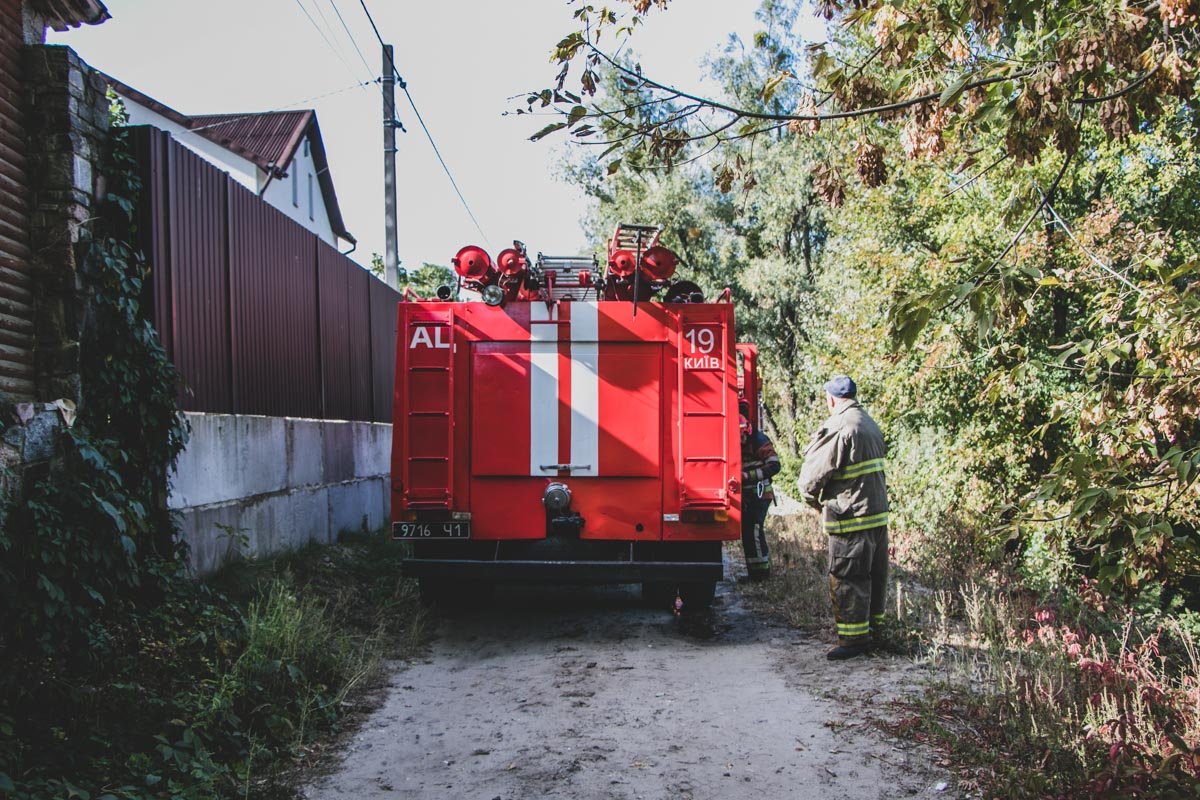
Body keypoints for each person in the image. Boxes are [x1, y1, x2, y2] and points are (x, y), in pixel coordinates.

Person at [797, 375, 889, 660]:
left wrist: (813, 502)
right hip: (876, 517)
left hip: (851, 518)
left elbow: (811, 478)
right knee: (875, 576)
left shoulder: (839, 426)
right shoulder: (868, 422)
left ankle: (853, 641)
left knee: (849, 578)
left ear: (831, 399)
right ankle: (875, 632)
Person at [739, 402, 780, 582]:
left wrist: (747, 476)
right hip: (749, 495)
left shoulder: (758, 440)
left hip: (760, 493)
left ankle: (761, 575)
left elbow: (774, 465)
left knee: (754, 530)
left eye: (742, 436)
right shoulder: (738, 438)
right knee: (748, 531)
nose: (740, 441)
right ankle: (755, 573)